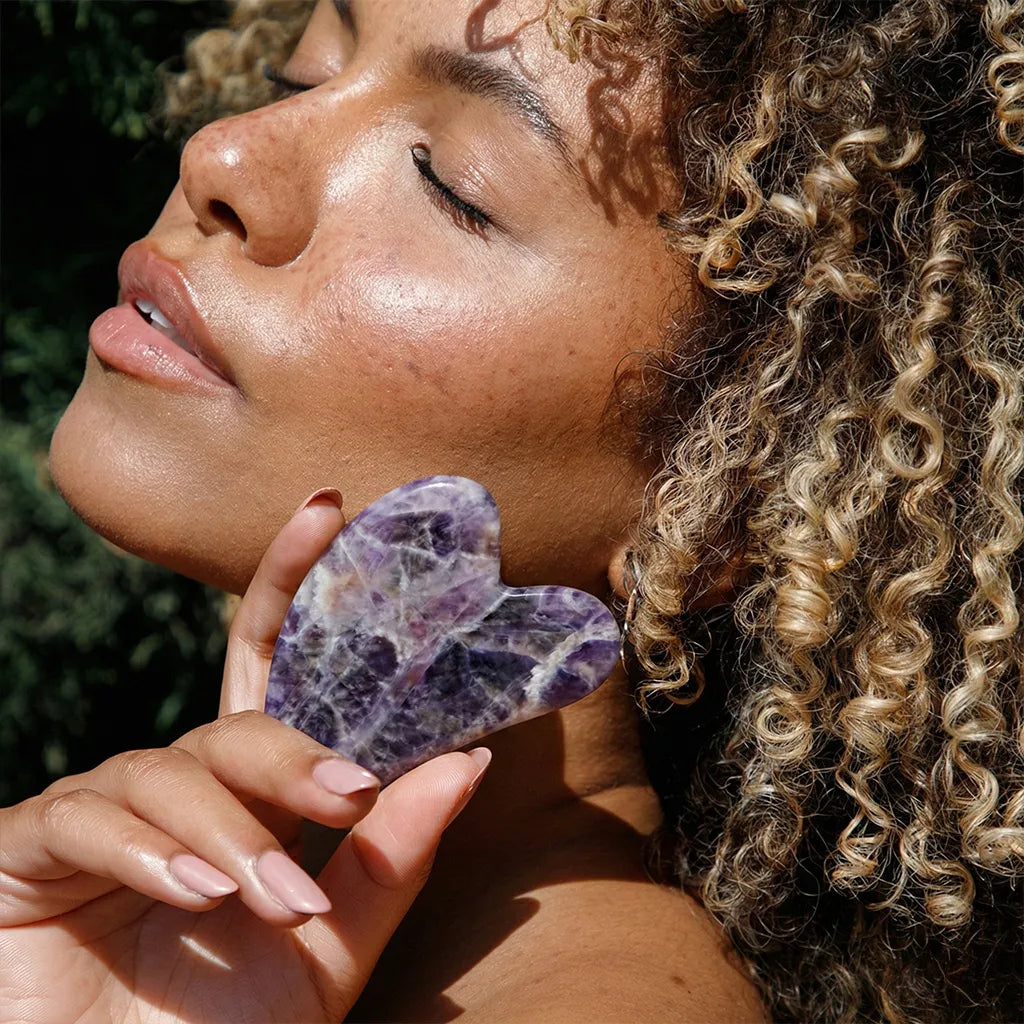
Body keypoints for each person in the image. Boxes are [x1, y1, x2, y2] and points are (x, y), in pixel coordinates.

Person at [1, 0, 1020, 1020]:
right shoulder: (149, 917)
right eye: (303, 73)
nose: (221, 156)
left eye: (451, 185)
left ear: (734, 486)